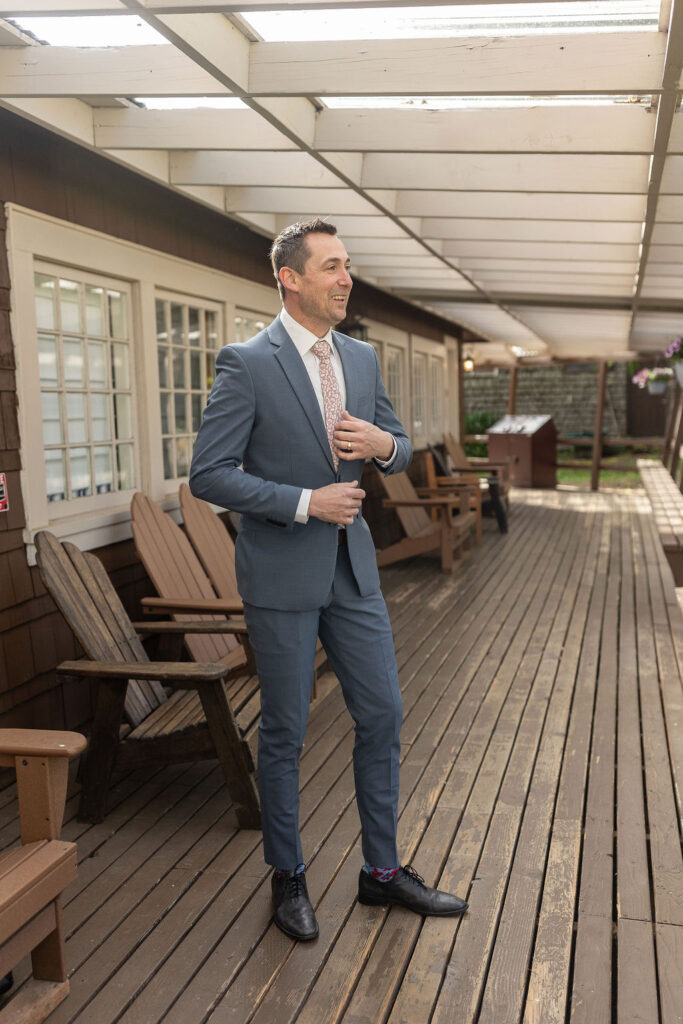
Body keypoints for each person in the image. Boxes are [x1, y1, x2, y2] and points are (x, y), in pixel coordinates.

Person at [190, 219, 468, 941]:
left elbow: (400, 449)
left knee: (382, 713)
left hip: (354, 573)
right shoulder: (245, 363)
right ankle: (287, 877)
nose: (346, 278)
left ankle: (381, 873)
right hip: (280, 573)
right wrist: (304, 502)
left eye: (347, 265)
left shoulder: (363, 358)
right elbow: (209, 475)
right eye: (332, 266)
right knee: (284, 729)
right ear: (290, 277)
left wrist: (382, 445)